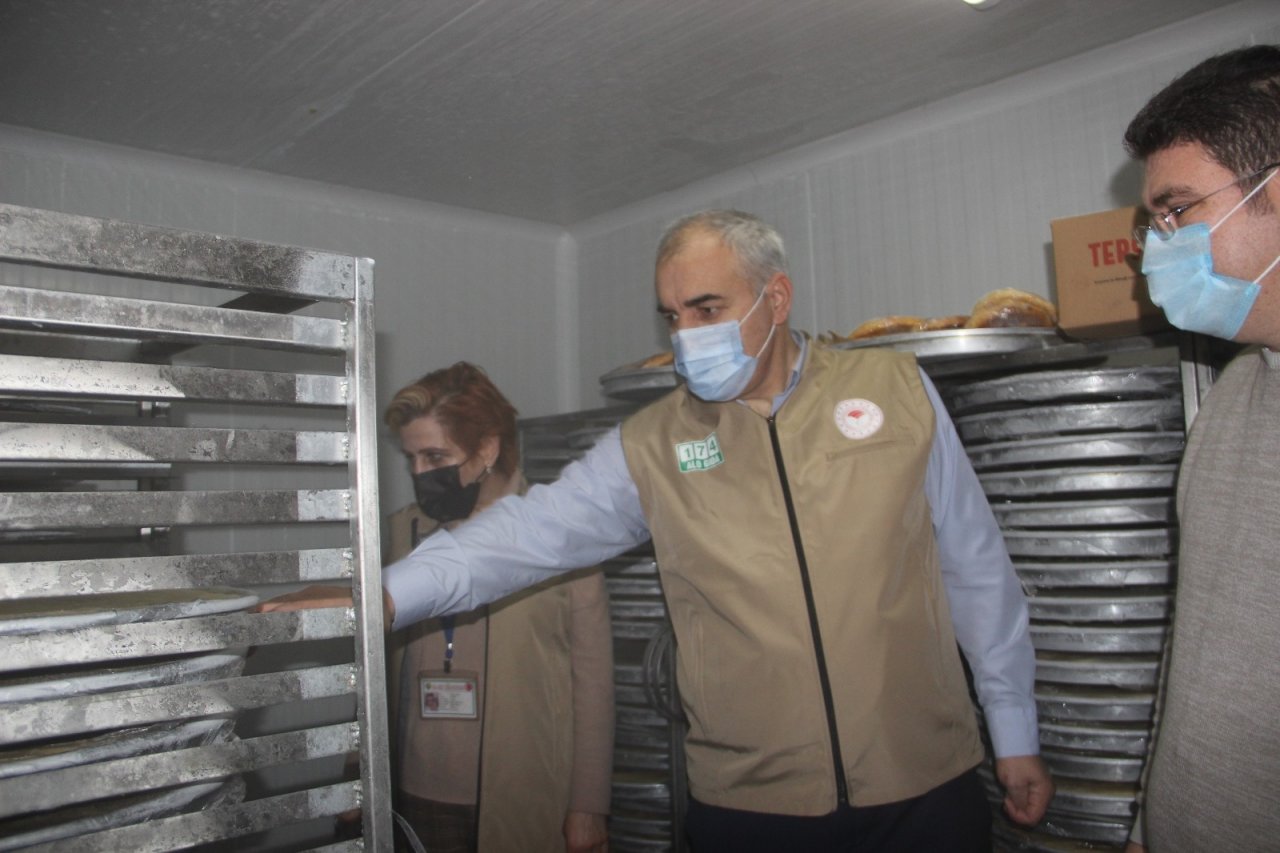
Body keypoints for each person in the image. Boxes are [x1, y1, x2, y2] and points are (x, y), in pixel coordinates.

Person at [265, 210, 1052, 851]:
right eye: (672, 315)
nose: (686, 335)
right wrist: (384, 596)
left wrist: (1013, 728)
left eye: (707, 309)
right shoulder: (655, 442)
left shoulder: (894, 389)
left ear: (775, 298)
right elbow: (523, 534)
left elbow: (976, 566)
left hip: (924, 784)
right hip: (753, 807)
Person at [1122, 45, 1280, 851]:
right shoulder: (1231, 399)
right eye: (1153, 222)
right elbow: (1197, 637)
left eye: (1176, 210)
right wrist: (1152, 814)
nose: (1156, 249)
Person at [380, 363, 614, 853]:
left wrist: (589, 806)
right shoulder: (399, 533)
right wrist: (357, 771)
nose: (420, 473)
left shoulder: (559, 536)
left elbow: (593, 682)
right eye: (412, 459)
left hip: (521, 795)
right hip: (413, 795)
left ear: (486, 448)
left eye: (435, 455)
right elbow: (370, 667)